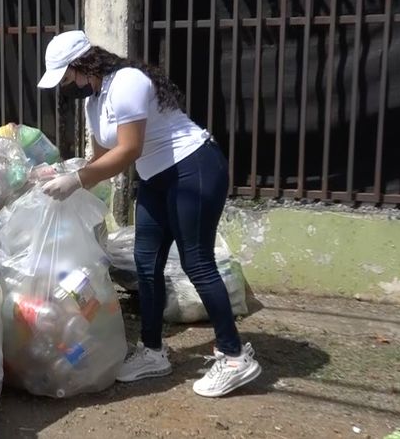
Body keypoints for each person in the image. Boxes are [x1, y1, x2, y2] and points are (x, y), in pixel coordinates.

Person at [37, 30, 261, 398]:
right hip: (155, 177)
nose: (66, 86)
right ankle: (154, 351)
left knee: (197, 262)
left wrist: (75, 181)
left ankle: (235, 357)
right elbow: (101, 159)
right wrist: (60, 179)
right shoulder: (94, 102)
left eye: (65, 77)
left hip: (193, 168)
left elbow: (127, 150)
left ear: (82, 65)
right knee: (146, 263)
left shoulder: (127, 82)